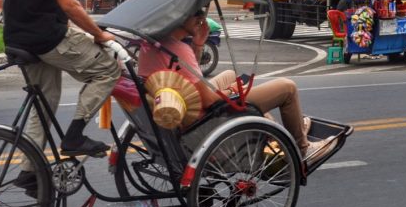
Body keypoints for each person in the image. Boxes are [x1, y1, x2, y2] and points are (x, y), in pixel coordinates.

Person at [4, 0, 124, 190]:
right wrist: (100, 35)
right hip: (45, 37)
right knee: (109, 68)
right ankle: (74, 136)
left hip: (19, 35)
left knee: (44, 103)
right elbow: (68, 4)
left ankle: (29, 172)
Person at [138, 8, 338, 161]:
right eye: (197, 13)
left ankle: (274, 132)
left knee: (230, 74)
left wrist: (198, 44)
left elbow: (190, 74)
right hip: (202, 113)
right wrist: (233, 91)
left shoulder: (151, 45)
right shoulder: (179, 50)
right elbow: (207, 99)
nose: (201, 18)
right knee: (288, 87)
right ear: (180, 17)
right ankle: (302, 148)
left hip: (181, 100)